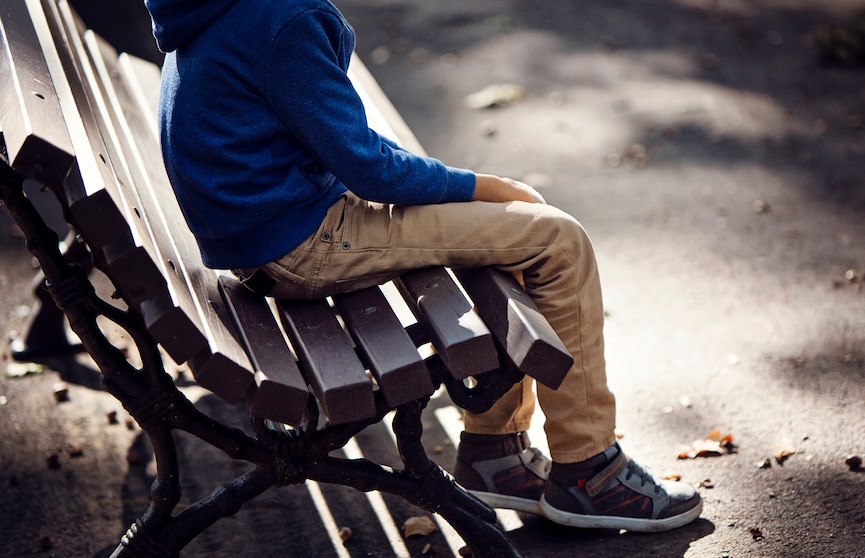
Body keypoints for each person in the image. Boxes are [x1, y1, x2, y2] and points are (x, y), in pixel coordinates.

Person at [144, 0, 702, 532]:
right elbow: (367, 166)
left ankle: (495, 454)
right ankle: (590, 471)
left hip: (264, 236)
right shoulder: (279, 15)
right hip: (304, 242)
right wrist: (483, 185)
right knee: (557, 239)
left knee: (499, 232)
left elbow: (331, 134)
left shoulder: (218, 7)